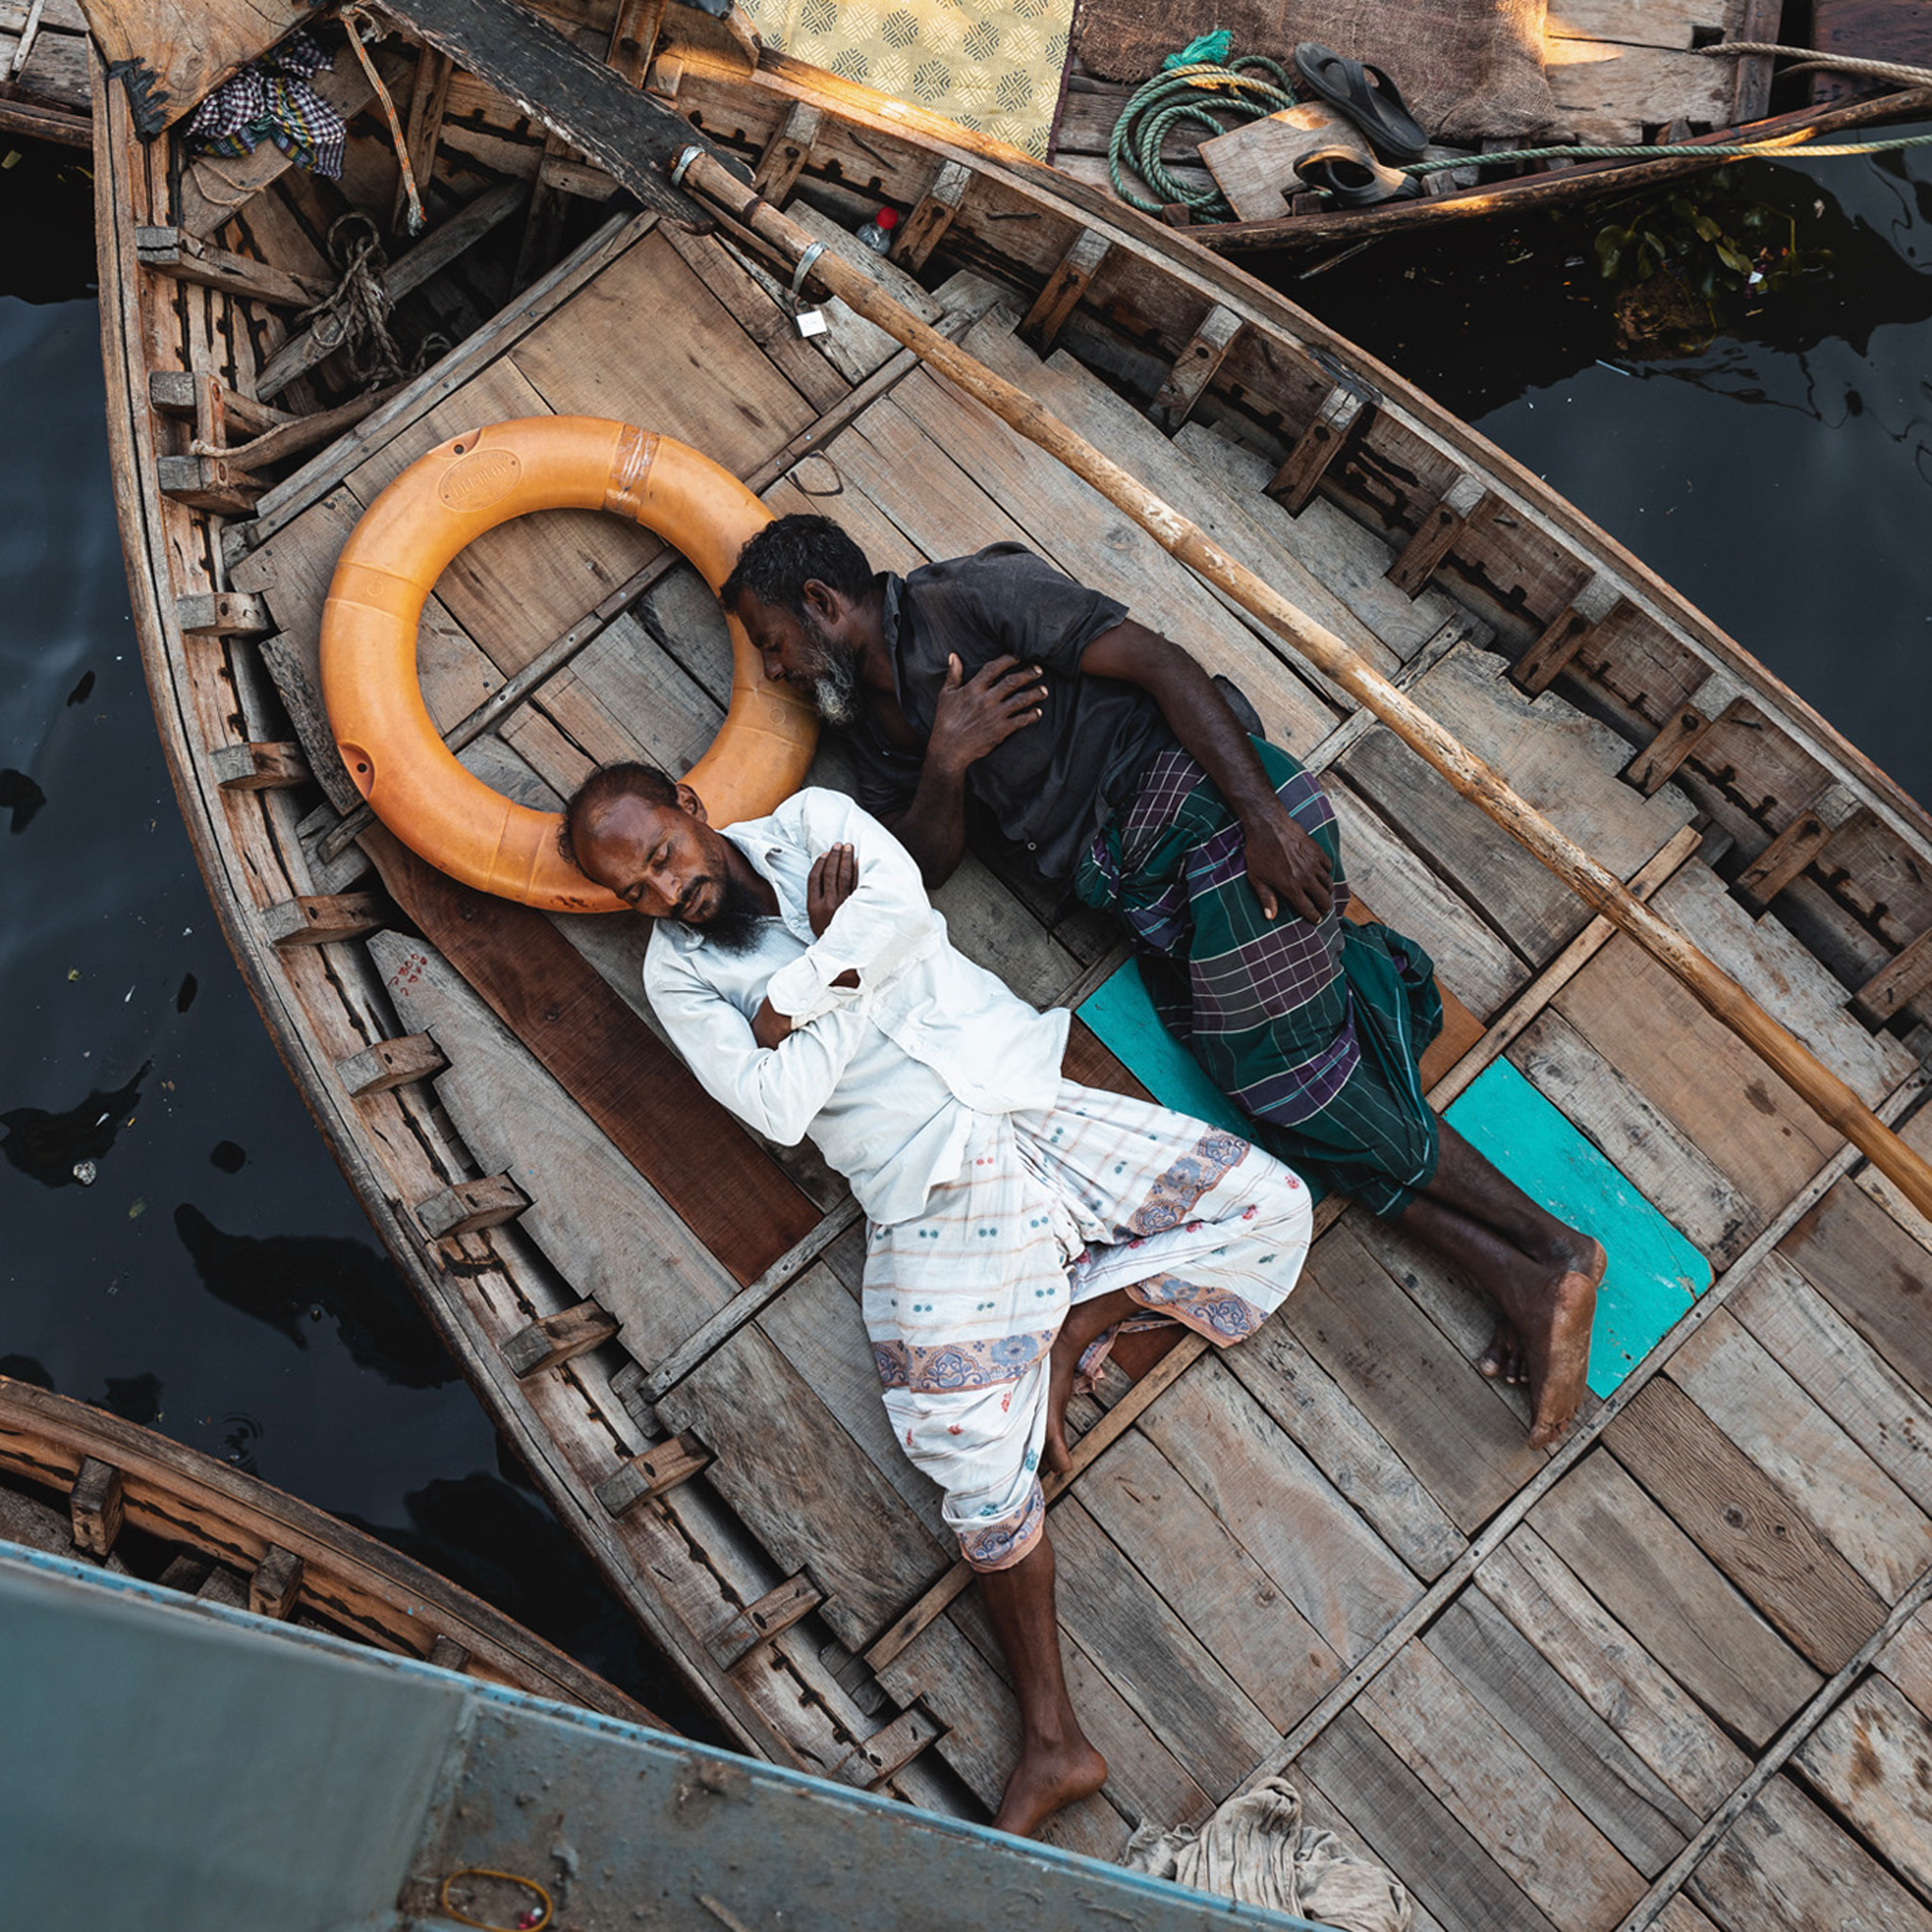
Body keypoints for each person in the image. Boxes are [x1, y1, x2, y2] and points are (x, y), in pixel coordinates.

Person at [720, 514, 1604, 1448]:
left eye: (773, 643)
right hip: (1142, 899)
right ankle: (1512, 1270)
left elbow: (1160, 664)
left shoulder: (970, 596)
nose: (774, 669)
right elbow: (927, 862)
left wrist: (1259, 816)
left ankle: (1549, 1248)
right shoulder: (881, 732)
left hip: (1210, 817)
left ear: (822, 603)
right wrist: (946, 758)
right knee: (1277, 1104)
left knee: (1301, 1084)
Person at [561, 763, 1314, 1838]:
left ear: (688, 804)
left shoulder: (810, 822)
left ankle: (1079, 1316)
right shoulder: (677, 977)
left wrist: (795, 997)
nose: (663, 891)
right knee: (964, 1456)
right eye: (634, 891)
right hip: (923, 1185)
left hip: (1026, 1094)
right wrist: (842, 964)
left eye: (659, 856)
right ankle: (1054, 1736)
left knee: (1269, 1205)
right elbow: (775, 1109)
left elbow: (905, 910)